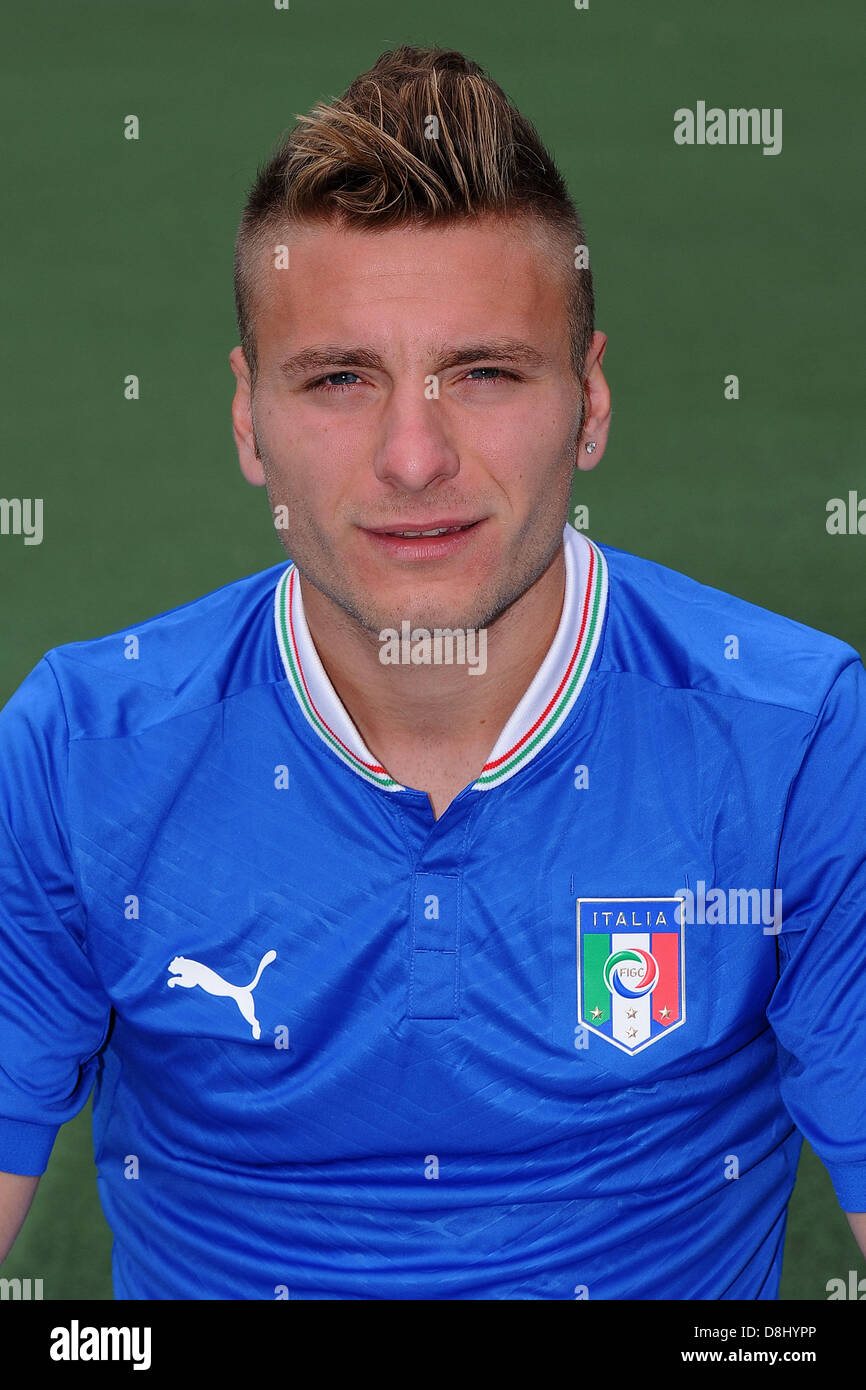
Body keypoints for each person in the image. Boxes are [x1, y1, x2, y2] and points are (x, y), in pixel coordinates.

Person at [0, 44, 864, 1301]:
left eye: (485, 373)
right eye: (339, 379)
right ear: (248, 420)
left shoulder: (796, 744)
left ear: (590, 400)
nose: (414, 457)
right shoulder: (79, 755)